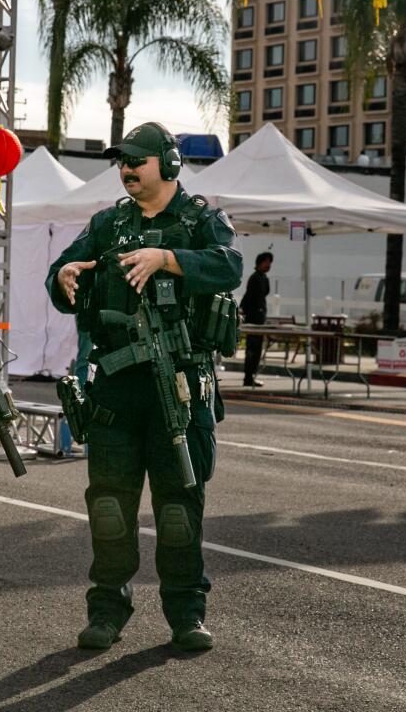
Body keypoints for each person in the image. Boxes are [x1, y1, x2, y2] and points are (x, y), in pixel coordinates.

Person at [47, 122, 242, 653]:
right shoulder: (108, 224)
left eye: (137, 160)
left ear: (169, 164)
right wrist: (64, 277)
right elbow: (64, 273)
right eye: (121, 162)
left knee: (180, 507)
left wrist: (168, 259)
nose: (127, 170)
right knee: (109, 506)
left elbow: (229, 266)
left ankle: (186, 614)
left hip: (180, 385)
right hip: (116, 386)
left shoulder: (202, 219)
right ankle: (107, 610)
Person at [238, 251, 273, 388]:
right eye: (266, 262)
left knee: (257, 349)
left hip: (260, 318)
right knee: (252, 349)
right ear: (260, 262)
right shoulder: (254, 278)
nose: (268, 265)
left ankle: (251, 376)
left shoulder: (264, 279)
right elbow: (248, 296)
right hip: (253, 319)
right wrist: (243, 310)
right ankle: (248, 376)